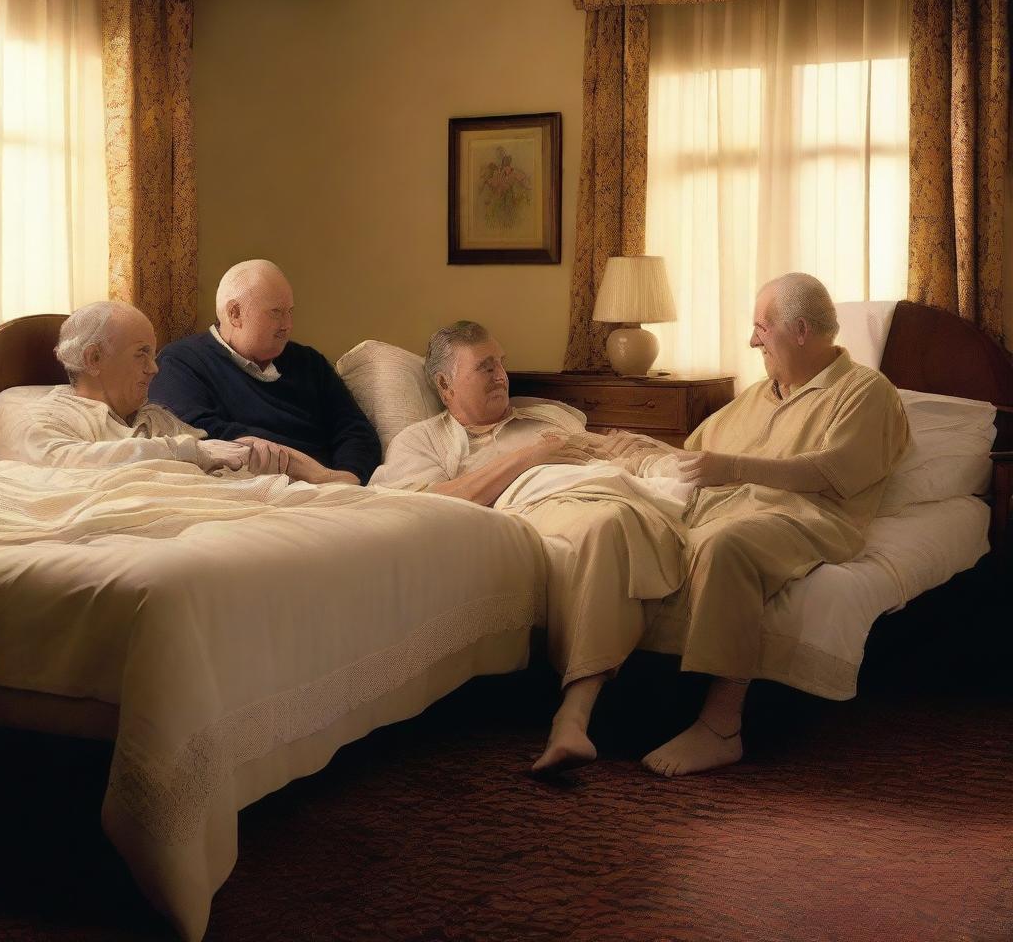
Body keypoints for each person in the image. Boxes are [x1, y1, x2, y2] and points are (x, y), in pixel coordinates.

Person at [373, 272, 909, 777]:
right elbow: (692, 453)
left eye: (761, 329)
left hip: (798, 514)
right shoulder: (761, 394)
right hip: (700, 504)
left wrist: (709, 468)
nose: (751, 341)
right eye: (484, 367)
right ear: (444, 386)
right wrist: (647, 454)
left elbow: (829, 472)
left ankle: (719, 724)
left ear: (801, 331)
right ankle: (620, 706)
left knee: (708, 543)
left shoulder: (865, 392)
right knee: (659, 531)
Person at [148, 259, 381, 485]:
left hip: (336, 488)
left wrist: (346, 477)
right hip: (254, 488)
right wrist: (302, 468)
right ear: (234, 313)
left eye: (290, 311)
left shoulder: (310, 362)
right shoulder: (180, 362)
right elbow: (197, 436)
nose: (287, 324)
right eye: (276, 312)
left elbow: (355, 429)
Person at [2, 301, 251, 474]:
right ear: (94, 359)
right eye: (141, 354)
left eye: (153, 355)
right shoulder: (43, 418)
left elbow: (214, 455)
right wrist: (182, 450)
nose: (154, 368)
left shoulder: (156, 418)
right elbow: (60, 464)